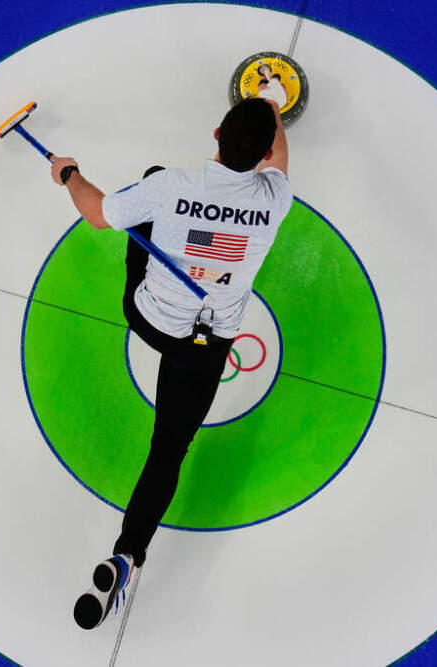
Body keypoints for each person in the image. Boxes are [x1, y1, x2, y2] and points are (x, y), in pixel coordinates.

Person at [48, 97, 292, 630]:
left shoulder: (173, 186)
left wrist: (69, 174)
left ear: (215, 134)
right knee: (166, 455)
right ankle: (128, 553)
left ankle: (124, 559)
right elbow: (279, 160)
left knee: (144, 205)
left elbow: (97, 212)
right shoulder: (276, 198)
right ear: (267, 148)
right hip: (205, 349)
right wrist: (272, 105)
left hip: (150, 318)